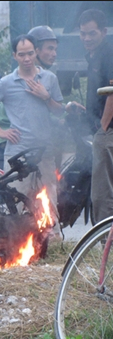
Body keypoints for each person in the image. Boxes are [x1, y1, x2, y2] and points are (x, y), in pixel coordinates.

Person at [0, 34, 65, 233]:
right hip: (17, 153)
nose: (27, 58)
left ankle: (52, 240)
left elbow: (59, 110)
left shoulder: (49, 78)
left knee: (49, 197)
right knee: (17, 201)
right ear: (14, 55)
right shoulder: (7, 82)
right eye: (22, 54)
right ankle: (20, 242)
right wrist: (0, 131)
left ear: (36, 53)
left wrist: (46, 96)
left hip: (44, 150)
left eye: (31, 53)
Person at [0, 25, 85, 158]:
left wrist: (66, 108)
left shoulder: (45, 76)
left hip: (30, 138)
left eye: (55, 49)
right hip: (13, 139)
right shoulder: (23, 77)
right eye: (50, 48)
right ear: (36, 50)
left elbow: (42, 107)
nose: (54, 54)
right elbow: (32, 112)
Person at [78, 9, 113, 224]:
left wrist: (103, 127)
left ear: (104, 31)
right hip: (106, 130)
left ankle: (107, 252)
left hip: (108, 134)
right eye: (83, 34)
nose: (87, 39)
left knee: (102, 195)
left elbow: (112, 93)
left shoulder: (109, 53)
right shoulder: (95, 56)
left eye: (92, 33)